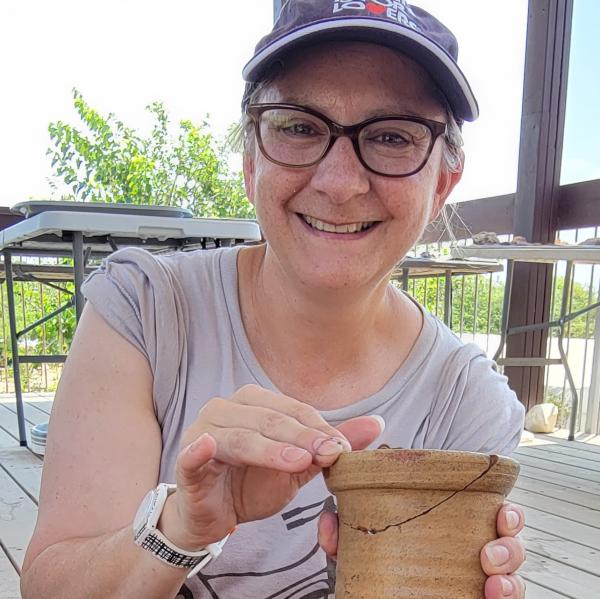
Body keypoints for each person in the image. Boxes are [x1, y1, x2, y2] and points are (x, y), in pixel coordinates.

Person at [21, 1, 527, 598]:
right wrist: (182, 526)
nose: (339, 183)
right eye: (299, 127)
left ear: (442, 182)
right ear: (250, 160)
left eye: (392, 137)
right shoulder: (145, 308)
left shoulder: (469, 405)